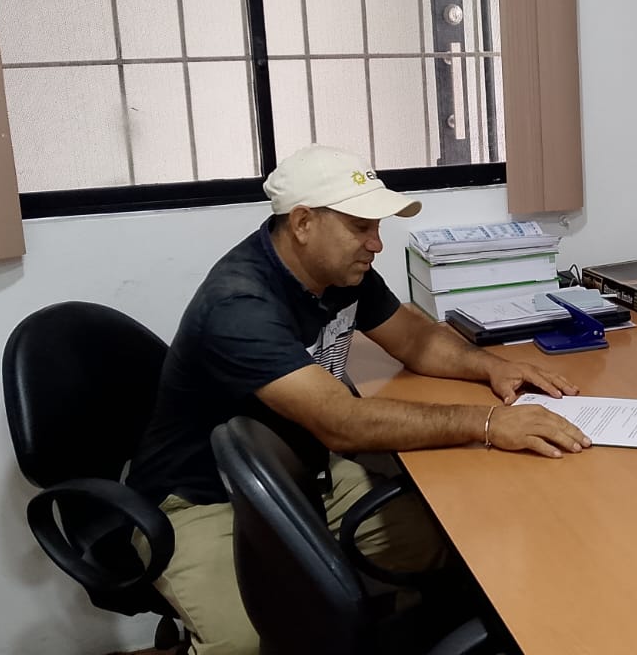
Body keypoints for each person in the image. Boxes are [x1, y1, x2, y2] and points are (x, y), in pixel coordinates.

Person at [126, 145, 592, 655]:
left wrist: (493, 367)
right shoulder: (238, 305)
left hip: (304, 473)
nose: (376, 244)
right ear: (303, 223)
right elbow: (341, 422)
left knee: (461, 541)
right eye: (360, 227)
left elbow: (415, 340)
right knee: (249, 643)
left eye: (377, 227)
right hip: (201, 500)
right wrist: (487, 423)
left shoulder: (338, 273)